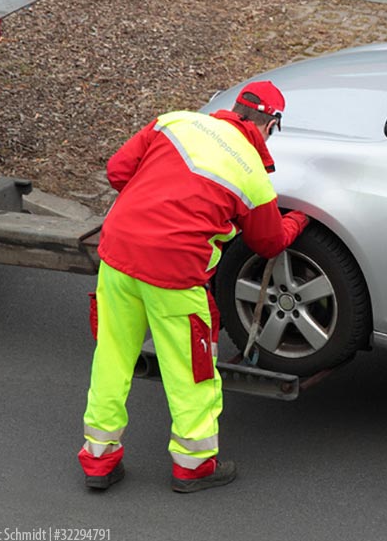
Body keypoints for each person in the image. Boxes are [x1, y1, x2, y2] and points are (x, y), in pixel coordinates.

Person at [78, 80, 308, 493]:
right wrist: (297, 221)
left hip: (117, 254)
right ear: (270, 123)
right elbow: (269, 242)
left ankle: (99, 460)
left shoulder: (175, 121)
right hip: (175, 274)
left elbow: (117, 172)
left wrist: (156, 200)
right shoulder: (250, 173)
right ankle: (194, 465)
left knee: (112, 357)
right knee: (191, 371)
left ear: (236, 107)